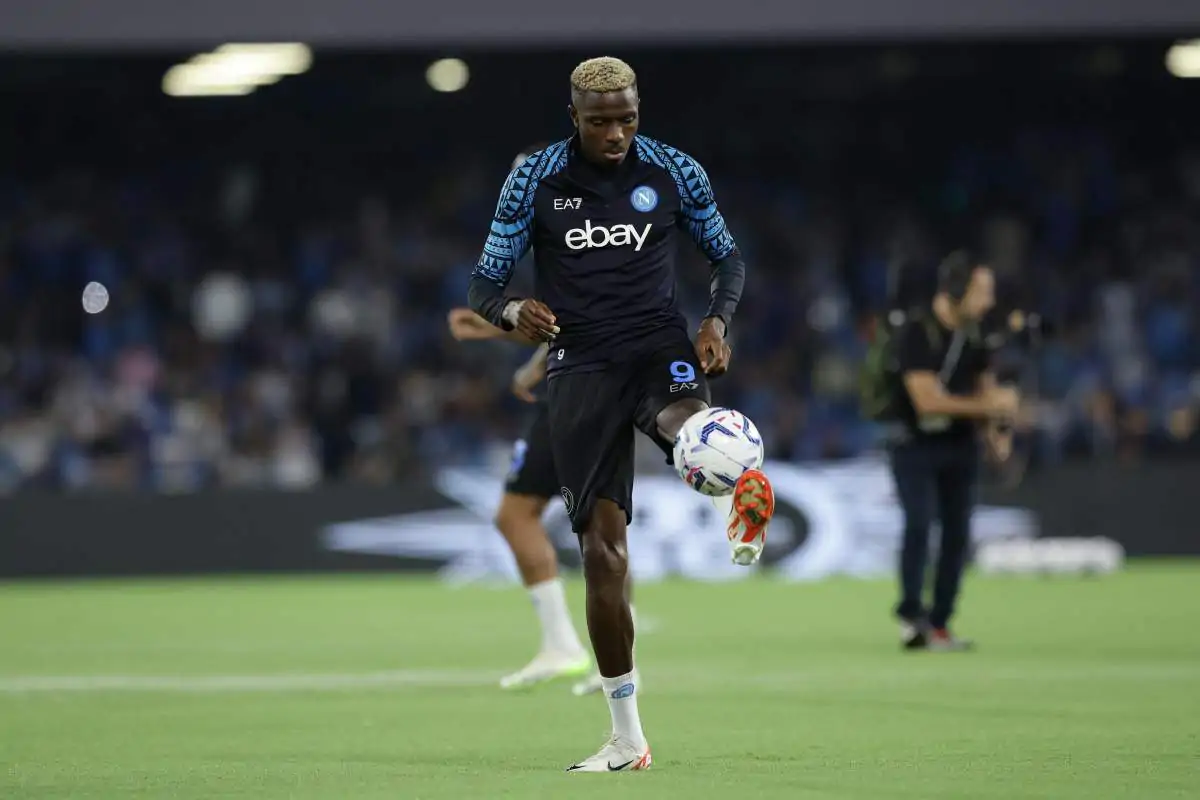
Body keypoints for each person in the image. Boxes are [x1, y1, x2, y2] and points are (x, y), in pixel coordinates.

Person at [467, 56, 775, 773]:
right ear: (573, 117)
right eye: (600, 122)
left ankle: (736, 483)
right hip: (579, 368)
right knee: (603, 555)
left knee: (690, 425)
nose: (615, 134)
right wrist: (512, 311)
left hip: (657, 346)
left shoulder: (674, 170)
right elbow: (484, 283)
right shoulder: (534, 179)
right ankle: (628, 737)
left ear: (639, 113)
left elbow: (728, 259)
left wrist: (716, 322)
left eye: (627, 119)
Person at [890, 251, 1018, 652]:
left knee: (958, 534)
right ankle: (912, 616)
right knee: (919, 523)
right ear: (957, 291)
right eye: (982, 292)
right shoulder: (916, 332)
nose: (989, 301)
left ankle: (941, 623)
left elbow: (986, 387)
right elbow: (927, 401)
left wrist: (998, 438)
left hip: (960, 444)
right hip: (913, 443)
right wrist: (989, 408)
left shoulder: (975, 335)